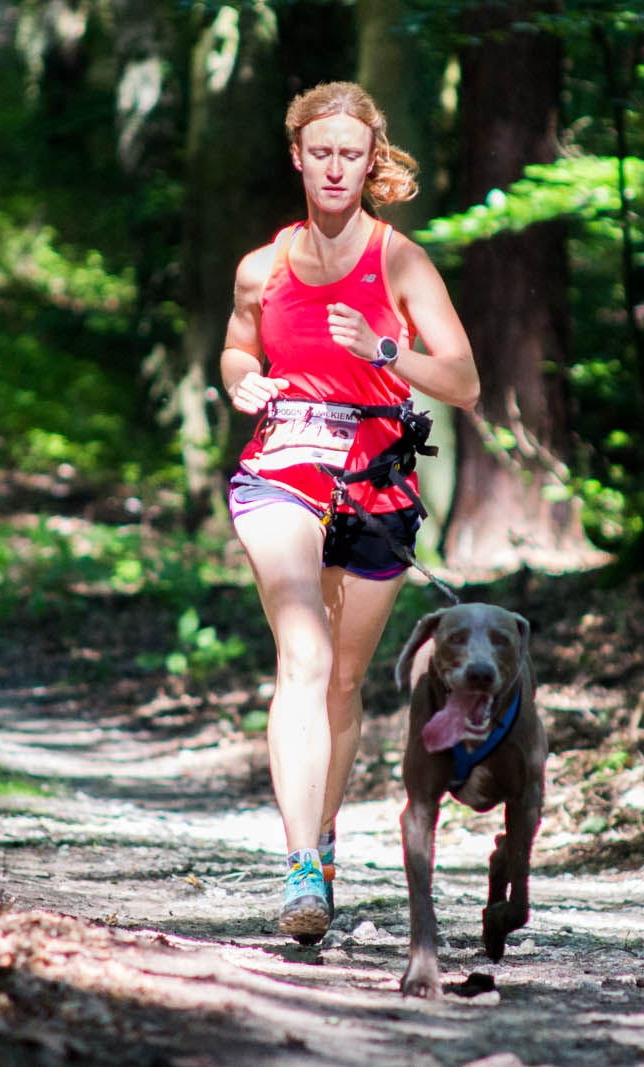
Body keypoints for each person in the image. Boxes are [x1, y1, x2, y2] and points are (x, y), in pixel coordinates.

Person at [220, 81, 480, 944]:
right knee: (303, 648)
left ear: (371, 163)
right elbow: (235, 344)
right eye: (320, 153)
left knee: (341, 678)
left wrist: (387, 351)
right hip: (281, 467)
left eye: (350, 154)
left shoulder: (400, 262)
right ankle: (300, 868)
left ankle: (322, 843)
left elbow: (466, 382)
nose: (335, 168)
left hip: (377, 481)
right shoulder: (263, 265)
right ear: (297, 156)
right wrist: (237, 376)